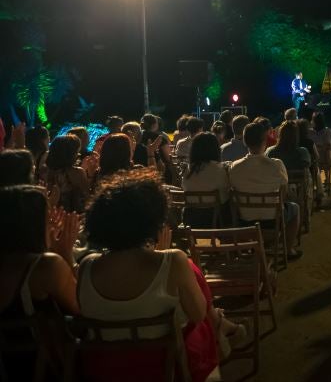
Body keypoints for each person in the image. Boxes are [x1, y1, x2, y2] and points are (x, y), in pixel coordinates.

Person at [79, 170, 217, 382]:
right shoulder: (173, 261)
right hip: (165, 369)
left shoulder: (87, 266)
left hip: (105, 370)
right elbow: (198, 314)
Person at [0, 186, 80, 379]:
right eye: (47, 215)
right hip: (45, 370)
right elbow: (84, 308)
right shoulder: (46, 266)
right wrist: (66, 255)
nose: (51, 220)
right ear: (35, 224)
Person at [230, 122, 302, 259]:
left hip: (245, 220)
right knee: (295, 208)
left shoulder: (235, 167)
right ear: (265, 141)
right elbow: (284, 191)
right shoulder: (276, 165)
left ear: (245, 141)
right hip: (272, 220)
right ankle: (289, 249)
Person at [183, 132, 230, 227]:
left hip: (191, 220)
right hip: (216, 220)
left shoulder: (188, 170)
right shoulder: (219, 169)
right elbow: (226, 192)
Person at [45, 134, 90, 212]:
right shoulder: (78, 172)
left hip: (49, 214)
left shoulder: (44, 171)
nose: (78, 154)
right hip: (71, 216)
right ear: (71, 154)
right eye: (77, 151)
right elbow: (87, 197)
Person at [310, 111, 331, 186]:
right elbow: (330, 145)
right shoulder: (328, 131)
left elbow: (329, 145)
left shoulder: (326, 131)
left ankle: (315, 180)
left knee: (322, 154)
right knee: (322, 154)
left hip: (318, 158)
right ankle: (326, 178)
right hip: (322, 158)